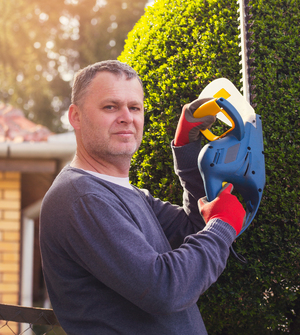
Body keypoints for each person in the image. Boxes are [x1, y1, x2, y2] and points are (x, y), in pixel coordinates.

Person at [40, 60, 245, 335]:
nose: (127, 117)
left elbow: (193, 229)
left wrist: (186, 150)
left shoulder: (125, 193)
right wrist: (222, 227)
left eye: (134, 107)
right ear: (75, 116)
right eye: (110, 107)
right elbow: (164, 289)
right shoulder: (81, 198)